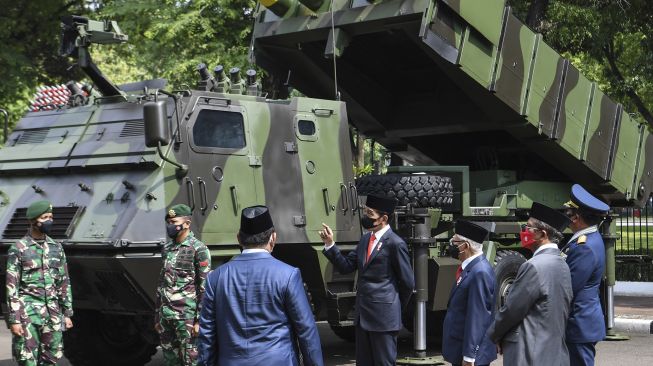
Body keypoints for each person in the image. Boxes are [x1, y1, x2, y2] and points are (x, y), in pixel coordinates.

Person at [197, 205, 323, 366]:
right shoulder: (288, 275)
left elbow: (206, 334)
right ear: (273, 238)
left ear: (238, 239)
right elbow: (306, 330)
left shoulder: (216, 277)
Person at [320, 195, 414, 366]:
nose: (365, 217)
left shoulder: (395, 244)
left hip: (384, 318)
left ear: (383, 219)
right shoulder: (365, 240)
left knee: (383, 363)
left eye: (370, 213)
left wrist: (393, 306)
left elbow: (407, 283)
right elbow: (346, 267)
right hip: (363, 317)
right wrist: (330, 245)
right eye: (365, 211)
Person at [488, 202, 573, 366]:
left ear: (542, 234)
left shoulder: (533, 266)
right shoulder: (562, 264)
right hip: (553, 350)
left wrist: (494, 334)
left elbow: (513, 309)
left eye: (528, 228)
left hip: (530, 352)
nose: (523, 232)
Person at [6, 200, 74, 365]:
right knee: (27, 359)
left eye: (51, 217)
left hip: (53, 314)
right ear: (32, 221)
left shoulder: (56, 247)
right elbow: (11, 286)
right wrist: (14, 320)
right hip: (27, 314)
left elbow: (64, 282)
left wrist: (67, 313)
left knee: (52, 358)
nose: (49, 221)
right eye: (44, 217)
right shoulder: (19, 248)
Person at [155, 204, 211, 366]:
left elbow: (204, 287)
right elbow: (161, 283)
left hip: (186, 317)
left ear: (187, 223)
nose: (170, 226)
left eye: (173, 221)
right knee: (171, 361)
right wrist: (157, 314)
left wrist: (199, 321)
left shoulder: (198, 249)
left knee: (191, 361)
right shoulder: (167, 249)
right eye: (168, 222)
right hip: (166, 317)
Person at [562, 184, 609, 366]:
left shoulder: (585, 247)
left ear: (576, 217)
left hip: (579, 323)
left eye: (568, 213)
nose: (566, 217)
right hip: (580, 322)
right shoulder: (586, 240)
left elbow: (569, 286)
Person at [442, 220, 497, 366]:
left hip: (470, 355)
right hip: (460, 347)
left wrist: (469, 356)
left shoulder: (480, 272)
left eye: (454, 243)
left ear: (464, 246)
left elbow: (478, 317)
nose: (451, 246)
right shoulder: (471, 268)